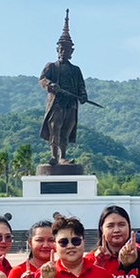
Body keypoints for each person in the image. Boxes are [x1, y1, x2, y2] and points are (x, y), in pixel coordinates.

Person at [39, 10, 88, 165]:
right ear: (57, 50)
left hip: (71, 104)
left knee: (66, 130)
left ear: (71, 51)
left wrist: (83, 96)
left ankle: (63, 156)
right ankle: (54, 156)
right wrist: (50, 85)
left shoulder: (76, 70)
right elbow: (42, 79)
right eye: (61, 49)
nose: (63, 52)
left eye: (66, 49)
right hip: (57, 103)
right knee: (55, 129)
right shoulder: (52, 66)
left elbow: (81, 86)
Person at [86, 205, 140, 278]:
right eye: (110, 226)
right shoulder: (90, 260)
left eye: (121, 225)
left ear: (129, 226)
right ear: (102, 229)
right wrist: (99, 265)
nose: (116, 230)